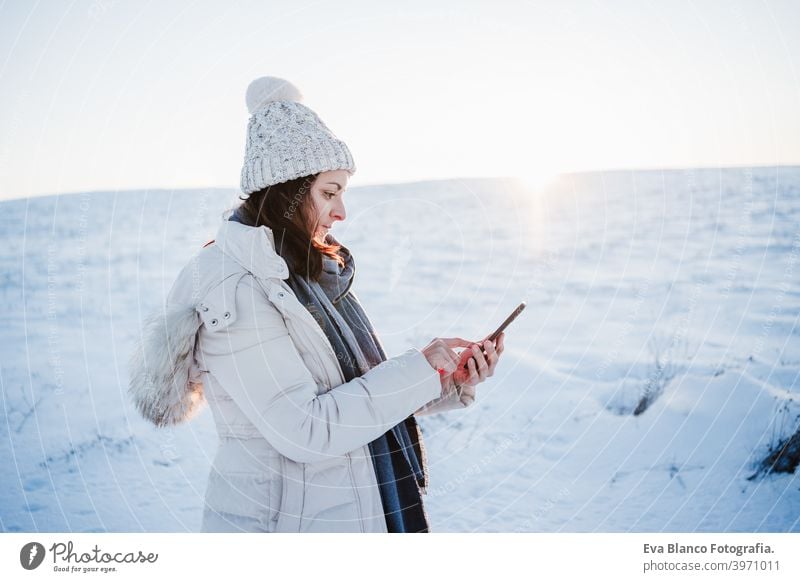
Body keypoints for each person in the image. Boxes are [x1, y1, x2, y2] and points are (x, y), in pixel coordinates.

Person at [129, 76, 505, 533]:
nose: (342, 211)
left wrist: (444, 377)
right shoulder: (235, 285)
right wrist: (421, 369)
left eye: (343, 192)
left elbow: (354, 399)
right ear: (286, 190)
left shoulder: (304, 274)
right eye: (329, 192)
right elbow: (305, 428)